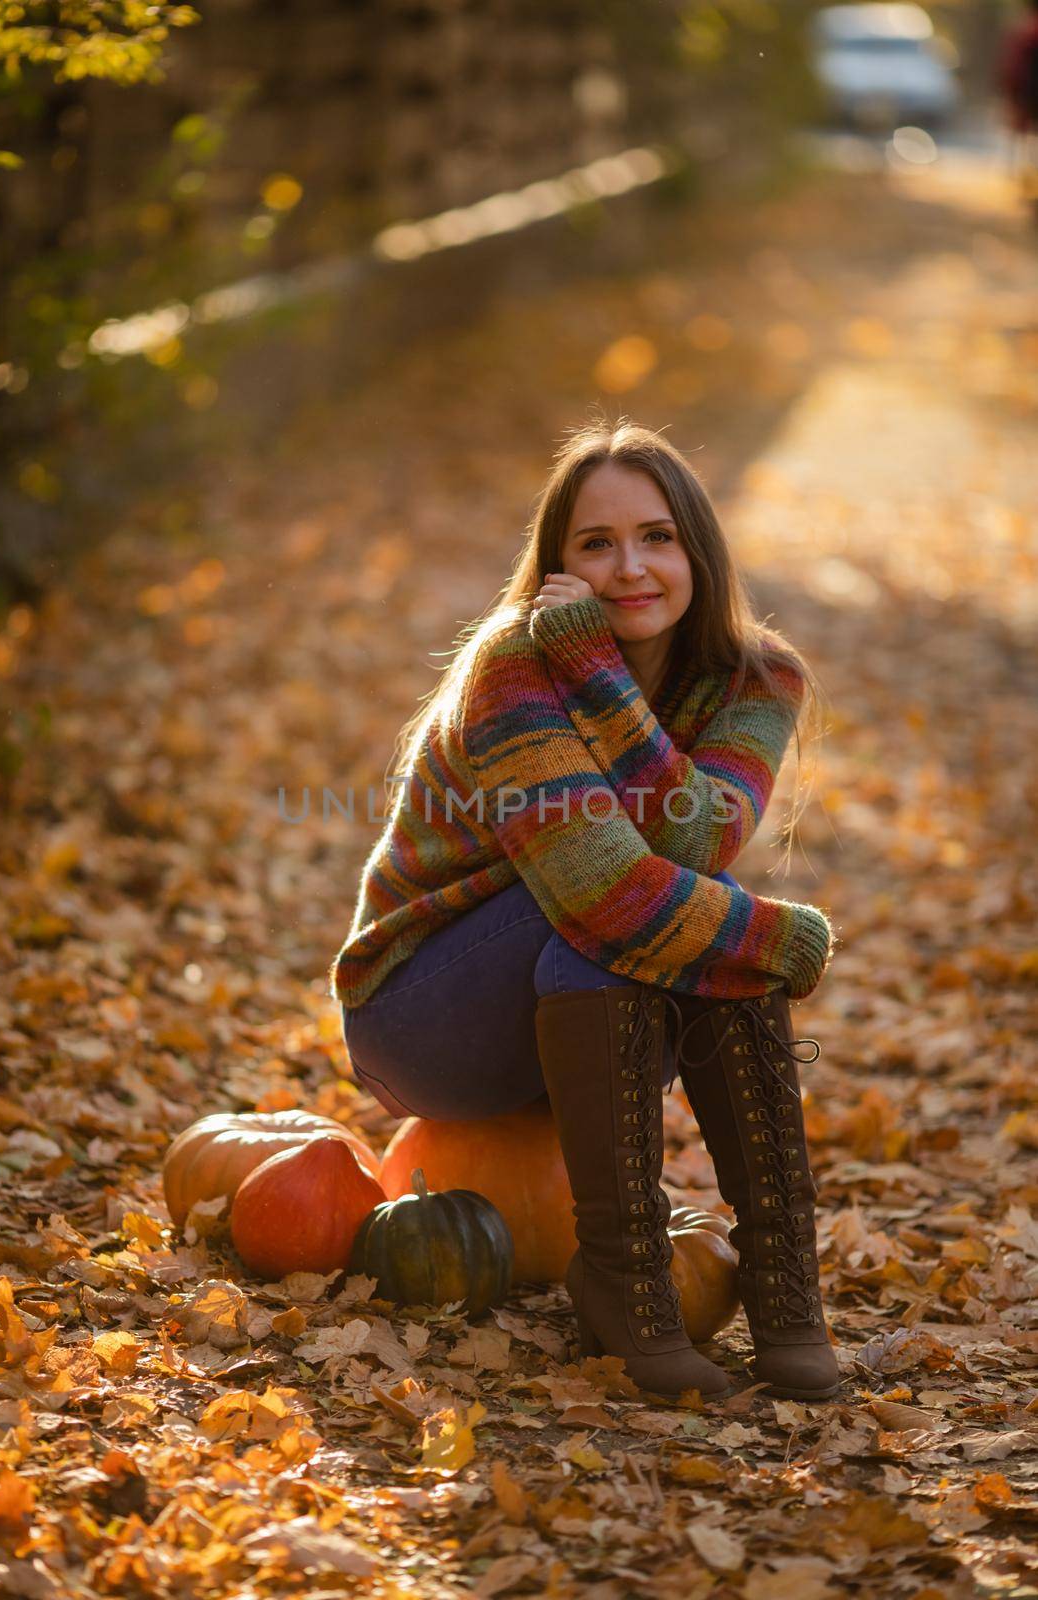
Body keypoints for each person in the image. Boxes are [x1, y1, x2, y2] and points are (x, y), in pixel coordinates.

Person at [331, 419, 840, 1403]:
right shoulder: (514, 666)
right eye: (594, 544)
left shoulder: (756, 676)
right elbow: (605, 895)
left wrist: (602, 684)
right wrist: (784, 940)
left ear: (697, 548)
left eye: (655, 537)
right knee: (661, 919)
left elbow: (695, 838)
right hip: (426, 1014)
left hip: (586, 992)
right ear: (556, 565)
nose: (628, 568)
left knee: (683, 912)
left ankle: (785, 1285)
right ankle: (627, 1275)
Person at [995, 0, 1038, 217]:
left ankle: (1032, 195)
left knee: (1031, 152)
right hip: (1029, 102)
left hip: (1029, 104)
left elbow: (1012, 71)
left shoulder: (1025, 33)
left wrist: (1013, 101)